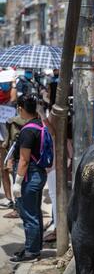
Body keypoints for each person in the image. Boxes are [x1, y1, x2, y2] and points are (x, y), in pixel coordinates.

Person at [10, 95, 49, 262]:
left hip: (29, 176)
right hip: (38, 174)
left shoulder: (27, 131)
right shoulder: (40, 125)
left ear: (20, 108)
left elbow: (24, 160)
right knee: (35, 214)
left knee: (29, 215)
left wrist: (17, 183)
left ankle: (31, 252)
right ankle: (33, 248)